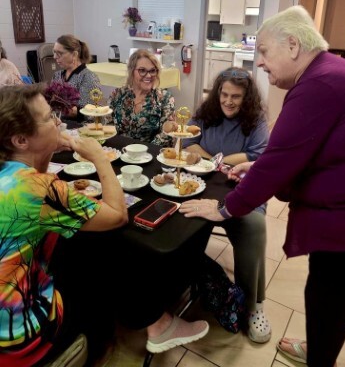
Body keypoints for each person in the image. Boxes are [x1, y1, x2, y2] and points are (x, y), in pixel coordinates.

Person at [179, 5, 345, 367]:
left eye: (263, 51)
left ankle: (320, 355)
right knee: (336, 305)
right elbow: (297, 155)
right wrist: (259, 165)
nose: (259, 62)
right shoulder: (332, 74)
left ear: (293, 45)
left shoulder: (317, 84)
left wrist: (225, 208)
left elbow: (280, 160)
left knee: (329, 299)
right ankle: (322, 346)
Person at [0, 84, 208, 365]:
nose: (59, 122)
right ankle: (149, 324)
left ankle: (155, 320)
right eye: (49, 117)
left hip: (13, 298)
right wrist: (99, 156)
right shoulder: (35, 189)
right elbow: (117, 214)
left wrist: (46, 149)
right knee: (104, 244)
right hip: (20, 335)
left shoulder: (11, 176)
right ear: (21, 140)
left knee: (84, 238)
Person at [182, 67, 271, 343]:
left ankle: (253, 305)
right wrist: (219, 161)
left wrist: (213, 161)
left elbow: (257, 155)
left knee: (254, 225)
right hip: (202, 185)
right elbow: (188, 143)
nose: (229, 101)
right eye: (224, 94)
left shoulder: (255, 121)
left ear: (247, 98)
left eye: (237, 96)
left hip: (241, 191)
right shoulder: (205, 112)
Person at [110, 49, 175, 146]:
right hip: (118, 151)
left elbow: (166, 136)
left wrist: (141, 152)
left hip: (150, 155)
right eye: (142, 70)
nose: (148, 75)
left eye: (152, 71)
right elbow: (107, 126)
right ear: (132, 71)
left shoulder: (164, 98)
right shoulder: (118, 94)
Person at [52, 34, 102, 118]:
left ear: (74, 55)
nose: (55, 57)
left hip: (80, 127)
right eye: (54, 52)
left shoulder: (88, 77)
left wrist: (56, 105)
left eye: (59, 53)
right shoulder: (57, 75)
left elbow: (87, 113)